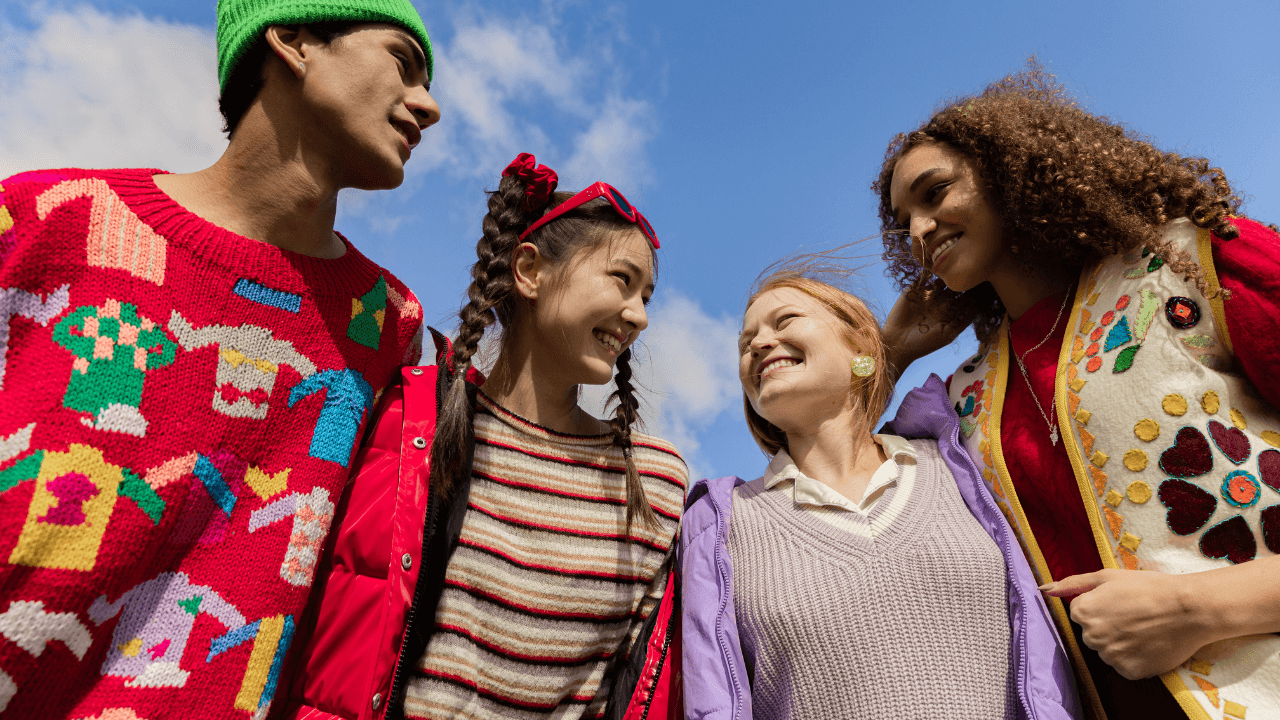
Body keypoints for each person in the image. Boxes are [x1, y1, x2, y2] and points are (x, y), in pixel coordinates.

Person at [0, 1, 438, 717]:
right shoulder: (47, 221)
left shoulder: (389, 325)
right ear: (295, 41)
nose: (429, 103)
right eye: (402, 60)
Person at [877, 61, 1280, 719]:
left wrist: (1198, 607)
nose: (919, 230)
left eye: (936, 192)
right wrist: (889, 356)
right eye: (903, 221)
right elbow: (828, 487)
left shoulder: (1191, 268)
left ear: (1012, 170)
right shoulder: (959, 405)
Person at [280, 153, 686, 720]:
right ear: (529, 271)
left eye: (646, 297)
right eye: (622, 280)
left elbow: (634, 687)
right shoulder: (412, 422)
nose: (639, 315)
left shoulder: (656, 481)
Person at [680, 267, 1082, 719]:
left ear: (861, 347)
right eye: (744, 343)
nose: (757, 343)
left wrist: (887, 352)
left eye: (785, 320)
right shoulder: (722, 524)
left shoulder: (959, 453)